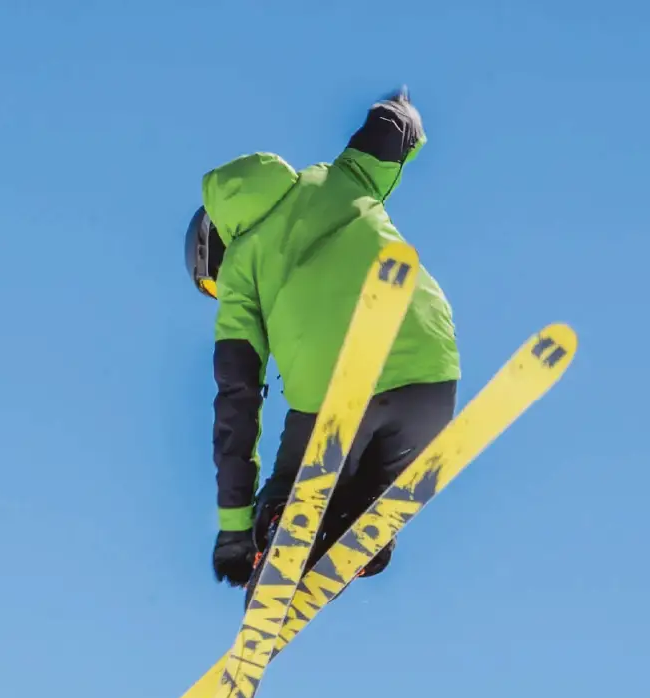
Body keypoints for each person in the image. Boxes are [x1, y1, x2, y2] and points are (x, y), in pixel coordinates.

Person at [184, 88, 461, 593]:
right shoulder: (339, 177)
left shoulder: (243, 271)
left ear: (217, 241)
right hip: (432, 375)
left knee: (288, 494)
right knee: (361, 509)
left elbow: (237, 405)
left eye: (210, 283)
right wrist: (399, 107)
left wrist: (235, 533)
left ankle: (282, 524)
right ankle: (359, 537)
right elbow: (394, 133)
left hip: (339, 393)